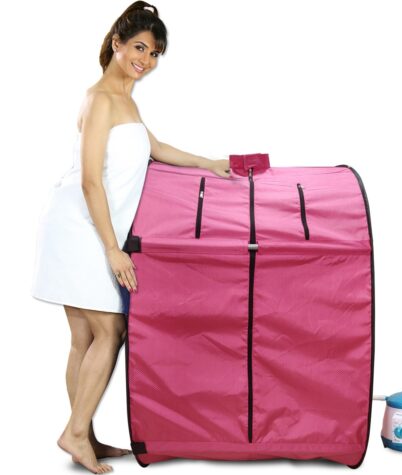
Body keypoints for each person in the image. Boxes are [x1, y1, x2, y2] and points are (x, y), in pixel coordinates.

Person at [30, 2, 230, 473]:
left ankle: (85, 435)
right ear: (116, 43)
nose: (146, 59)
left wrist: (208, 163)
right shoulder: (100, 98)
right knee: (111, 330)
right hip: (80, 228)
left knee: (84, 338)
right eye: (139, 47)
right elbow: (90, 181)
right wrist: (112, 250)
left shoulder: (127, 99)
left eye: (155, 53)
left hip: (91, 229)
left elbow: (155, 148)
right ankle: (76, 432)